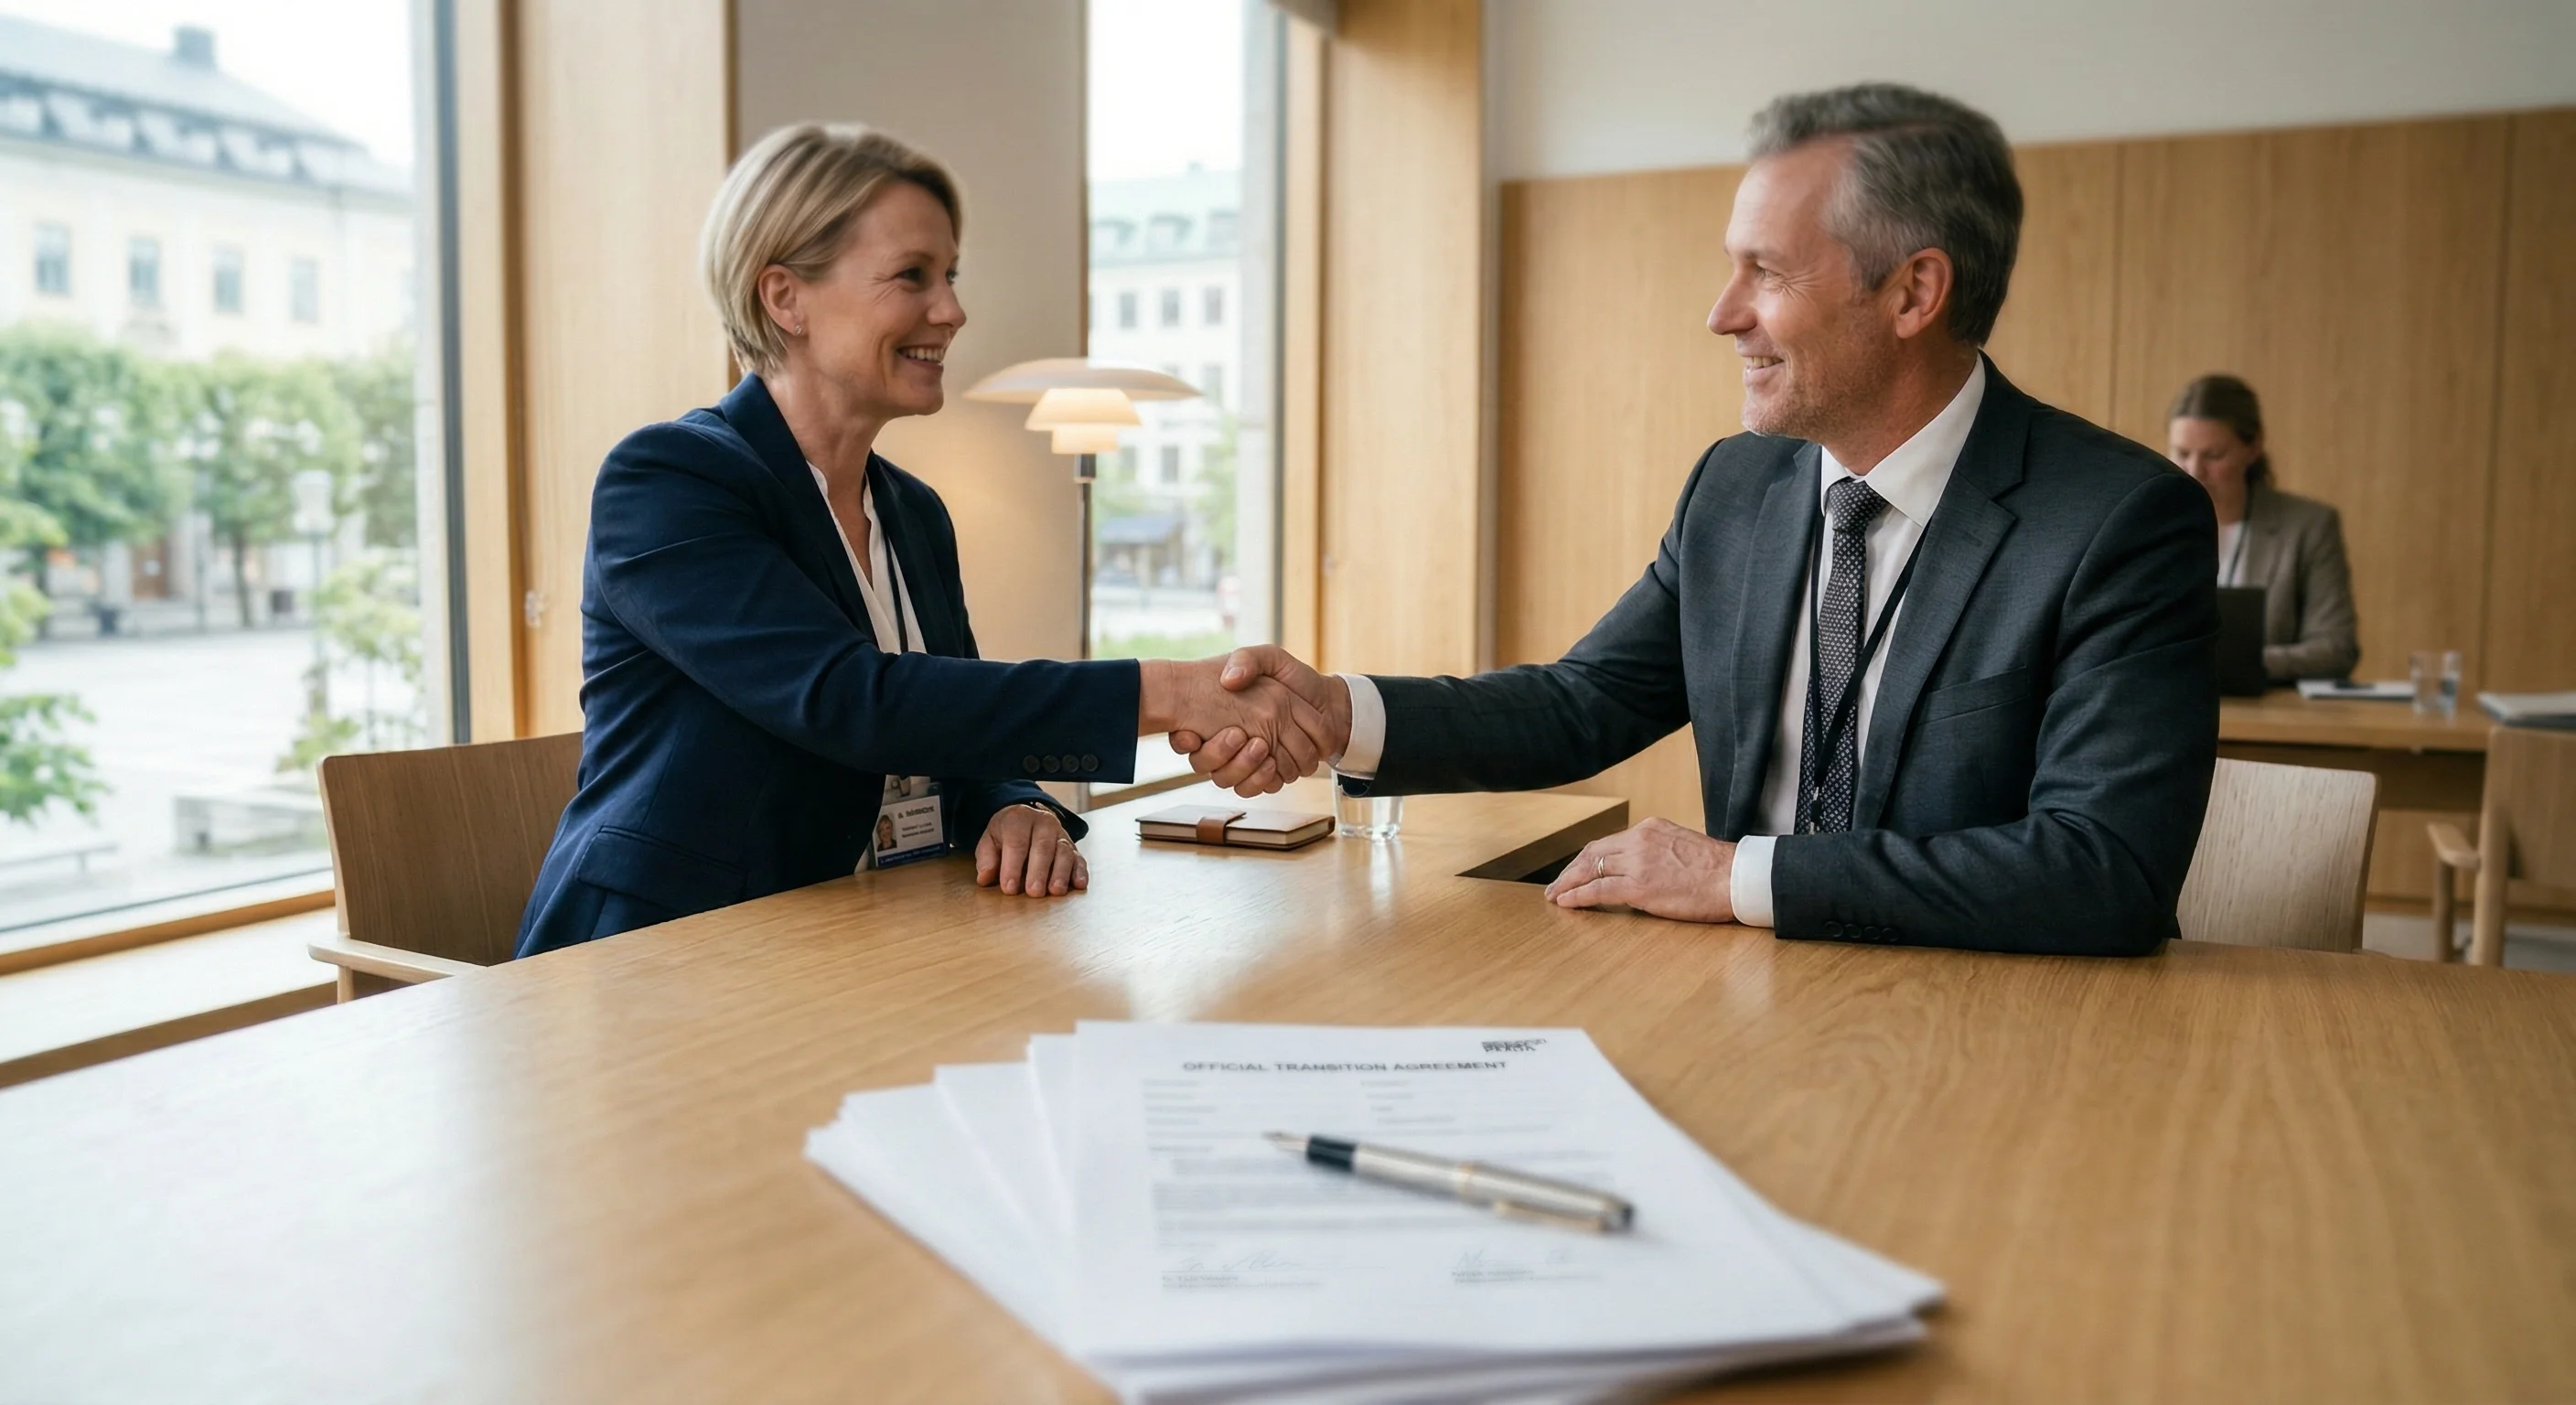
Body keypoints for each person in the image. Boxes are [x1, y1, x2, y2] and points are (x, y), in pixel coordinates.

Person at [1182, 84, 2218, 957]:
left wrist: (1734, 877)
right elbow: (1579, 705)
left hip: (1985, 1030)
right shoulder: (1736, 488)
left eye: (1763, 272)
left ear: (1913, 292)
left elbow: (2100, 870)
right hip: (1738, 1008)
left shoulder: (2118, 521)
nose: (1721, 313)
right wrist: (1336, 713)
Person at [517, 124, 1328, 957]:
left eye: (950, 275)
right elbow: (849, 699)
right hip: (657, 958)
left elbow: (950, 725)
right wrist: (1169, 690)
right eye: (913, 276)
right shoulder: (669, 480)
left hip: (853, 945)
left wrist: (1017, 804)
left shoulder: (914, 512)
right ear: (784, 297)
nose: (952, 309)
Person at [2166, 374, 2358, 681]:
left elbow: (2335, 648)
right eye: (2182, 454)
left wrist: (2235, 662)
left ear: (2253, 447)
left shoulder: (2308, 526)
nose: (2194, 472)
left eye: (2213, 455)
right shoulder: (2146, 526)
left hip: (2267, 716)